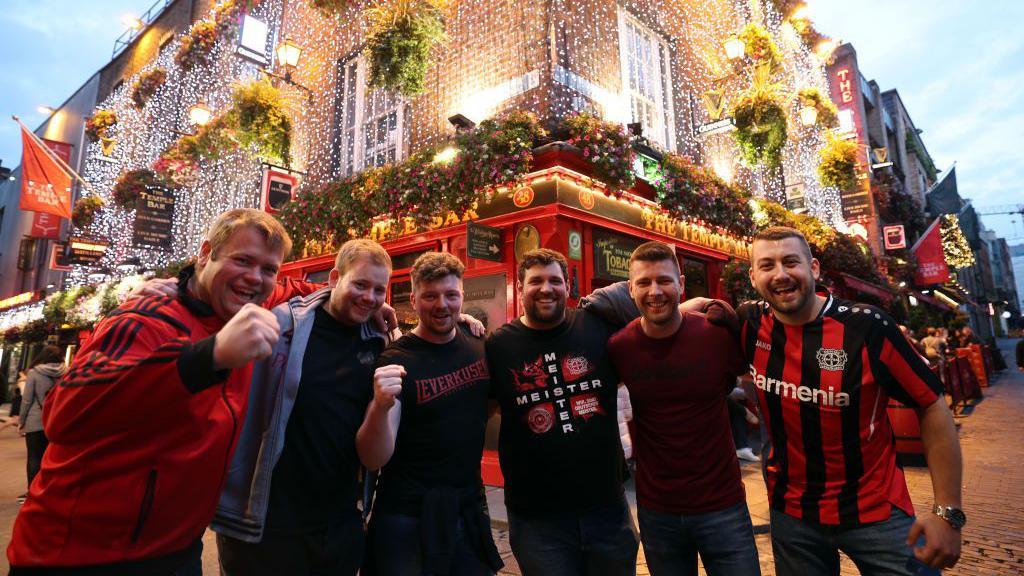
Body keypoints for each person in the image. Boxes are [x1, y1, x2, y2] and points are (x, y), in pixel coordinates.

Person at [7, 208, 315, 574]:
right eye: (243, 260)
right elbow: (64, 414)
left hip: (176, 550)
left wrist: (364, 300)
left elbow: (301, 287)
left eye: (268, 269)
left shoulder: (238, 305)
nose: (256, 277)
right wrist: (207, 357)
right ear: (205, 254)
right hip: (80, 556)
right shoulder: (147, 314)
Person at [741, 226, 963, 575]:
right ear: (753, 276)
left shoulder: (868, 327)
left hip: (875, 512)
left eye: (791, 262)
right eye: (767, 266)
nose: (781, 275)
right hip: (792, 513)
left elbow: (932, 403)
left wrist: (947, 512)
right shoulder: (749, 326)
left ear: (813, 268)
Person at [212, 239, 397, 575]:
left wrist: (464, 323)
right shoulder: (282, 324)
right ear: (333, 278)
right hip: (268, 525)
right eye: (359, 284)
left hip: (338, 523)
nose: (369, 297)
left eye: (378, 290)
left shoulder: (379, 339)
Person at [606, 241, 760, 576]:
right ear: (630, 289)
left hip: (723, 505)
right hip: (657, 510)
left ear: (681, 284)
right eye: (644, 283)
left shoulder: (716, 334)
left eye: (664, 280)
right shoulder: (620, 347)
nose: (655, 291)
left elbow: (754, 377)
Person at [485, 248, 639, 576]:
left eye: (555, 280)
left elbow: (651, 301)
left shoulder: (598, 326)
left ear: (568, 286)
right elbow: (484, 408)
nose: (546, 288)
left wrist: (699, 305)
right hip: (537, 519)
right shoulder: (499, 345)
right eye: (536, 281)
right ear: (520, 287)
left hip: (606, 509)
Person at [358, 251, 502, 575]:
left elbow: (487, 407)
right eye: (430, 296)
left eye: (451, 295)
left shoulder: (477, 343)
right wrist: (380, 407)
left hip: (466, 506)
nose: (442, 305)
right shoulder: (396, 359)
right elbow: (373, 458)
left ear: (462, 295)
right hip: (406, 515)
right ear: (413, 298)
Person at [19, 345, 66, 490]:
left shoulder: (34, 372)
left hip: (35, 420)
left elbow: (27, 400)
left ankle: (32, 490)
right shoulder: (67, 372)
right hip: (56, 420)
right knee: (51, 458)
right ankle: (48, 489)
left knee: (34, 457)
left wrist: (22, 421)